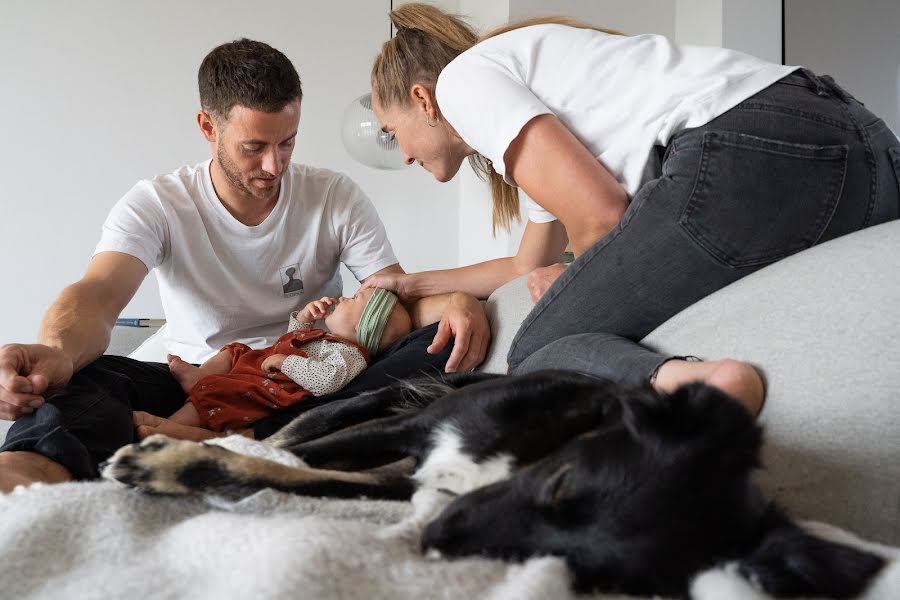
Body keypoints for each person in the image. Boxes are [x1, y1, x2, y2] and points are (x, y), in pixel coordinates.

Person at [0, 38, 489, 493]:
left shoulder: (334, 197)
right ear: (208, 128)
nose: (275, 166)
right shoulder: (158, 203)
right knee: (90, 378)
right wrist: (58, 353)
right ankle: (33, 471)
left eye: (288, 143)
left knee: (425, 350)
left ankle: (249, 440)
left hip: (308, 384)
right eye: (254, 147)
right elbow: (97, 295)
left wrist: (456, 301)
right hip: (197, 386)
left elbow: (387, 308)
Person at [362, 4, 900, 415]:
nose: (403, 154)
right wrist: (412, 284)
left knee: (533, 353)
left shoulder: (463, 82)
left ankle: (698, 387)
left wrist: (581, 286)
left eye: (393, 134)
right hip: (866, 145)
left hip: (746, 153)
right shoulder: (528, 101)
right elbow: (528, 264)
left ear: (424, 99)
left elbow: (600, 214)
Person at [134, 288, 411, 441]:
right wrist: (303, 318)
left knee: (217, 396)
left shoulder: (350, 355)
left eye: (352, 300)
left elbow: (327, 380)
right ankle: (201, 375)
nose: (342, 298)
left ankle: (169, 428)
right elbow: (290, 339)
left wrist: (286, 362)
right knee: (234, 350)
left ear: (362, 326)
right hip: (258, 366)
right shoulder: (327, 339)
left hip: (270, 389)